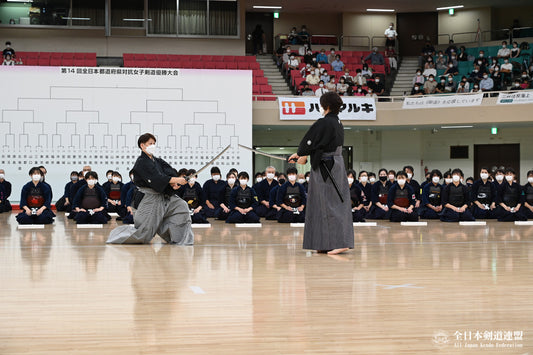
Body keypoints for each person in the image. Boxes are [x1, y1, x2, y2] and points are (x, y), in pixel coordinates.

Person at [288, 92, 353, 255]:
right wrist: (302, 155)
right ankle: (325, 242)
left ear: (327, 106)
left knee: (330, 204)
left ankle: (340, 242)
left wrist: (301, 153)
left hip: (327, 167)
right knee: (322, 204)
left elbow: (310, 142)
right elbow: (320, 144)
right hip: (334, 164)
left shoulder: (325, 122)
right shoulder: (337, 122)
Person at [107, 133, 194, 244]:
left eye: (154, 143)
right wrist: (175, 180)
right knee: (144, 233)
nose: (153, 146)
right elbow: (156, 179)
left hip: (163, 196)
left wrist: (174, 182)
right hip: (149, 198)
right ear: (142, 146)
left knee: (181, 206)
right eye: (150, 143)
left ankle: (180, 238)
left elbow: (168, 170)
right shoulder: (141, 162)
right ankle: (117, 236)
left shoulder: (157, 160)